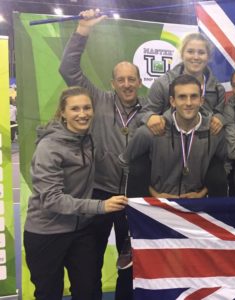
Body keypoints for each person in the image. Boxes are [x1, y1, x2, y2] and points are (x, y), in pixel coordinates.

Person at [59, 9, 146, 299]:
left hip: (134, 199)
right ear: (112, 83)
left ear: (139, 81)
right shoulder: (98, 100)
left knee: (130, 261)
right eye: (120, 79)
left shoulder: (150, 113)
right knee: (90, 260)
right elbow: (68, 70)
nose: (126, 84)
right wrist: (83, 29)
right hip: (99, 194)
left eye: (131, 78)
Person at [24, 86, 127, 300]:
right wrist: (101, 206)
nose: (82, 114)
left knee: (88, 291)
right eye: (75, 109)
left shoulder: (88, 139)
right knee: (48, 294)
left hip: (81, 230)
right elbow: (52, 199)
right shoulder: (49, 147)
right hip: (46, 233)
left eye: (87, 108)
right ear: (63, 112)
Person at [143, 32, 227, 196]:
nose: (196, 57)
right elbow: (145, 112)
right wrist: (150, 117)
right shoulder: (162, 83)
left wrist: (220, 118)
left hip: (200, 157)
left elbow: (220, 113)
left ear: (208, 57)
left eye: (201, 52)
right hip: (167, 154)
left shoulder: (217, 89)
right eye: (190, 51)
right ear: (182, 54)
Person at [121, 74, 226, 198]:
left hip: (196, 207)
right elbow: (127, 164)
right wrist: (154, 195)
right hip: (158, 206)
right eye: (182, 97)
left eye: (194, 97)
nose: (188, 103)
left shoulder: (214, 132)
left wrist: (202, 194)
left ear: (201, 101)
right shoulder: (149, 133)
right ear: (172, 101)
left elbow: (223, 167)